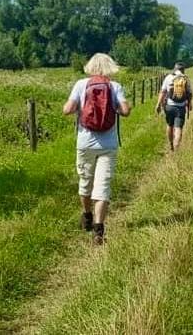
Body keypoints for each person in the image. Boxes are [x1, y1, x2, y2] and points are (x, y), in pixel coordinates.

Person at [62, 53, 131, 245]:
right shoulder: (115, 86)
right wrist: (116, 108)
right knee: (103, 186)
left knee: (85, 181)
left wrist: (77, 108)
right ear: (110, 68)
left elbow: (67, 109)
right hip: (108, 145)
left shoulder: (81, 85)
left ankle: (86, 216)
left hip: (85, 143)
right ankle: (99, 230)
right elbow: (125, 111)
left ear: (90, 67)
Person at [156, 62, 193, 152]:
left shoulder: (168, 77)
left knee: (170, 125)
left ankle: (171, 145)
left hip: (169, 106)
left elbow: (163, 92)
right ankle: (177, 148)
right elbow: (190, 93)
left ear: (175, 69)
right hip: (181, 108)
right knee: (178, 128)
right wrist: (190, 104)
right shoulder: (186, 79)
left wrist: (158, 104)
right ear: (183, 70)